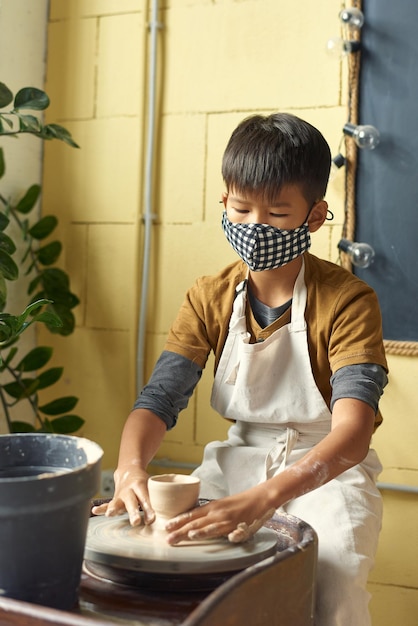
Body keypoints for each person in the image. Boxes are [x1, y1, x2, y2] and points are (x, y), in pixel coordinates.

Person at [93, 112, 388, 626]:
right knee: (181, 564)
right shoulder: (208, 296)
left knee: (332, 586)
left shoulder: (348, 300)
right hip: (239, 457)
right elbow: (158, 400)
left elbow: (354, 432)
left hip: (329, 469)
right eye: (242, 207)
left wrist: (269, 499)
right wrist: (130, 468)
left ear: (314, 217)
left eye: (276, 213)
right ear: (223, 204)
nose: (256, 226)